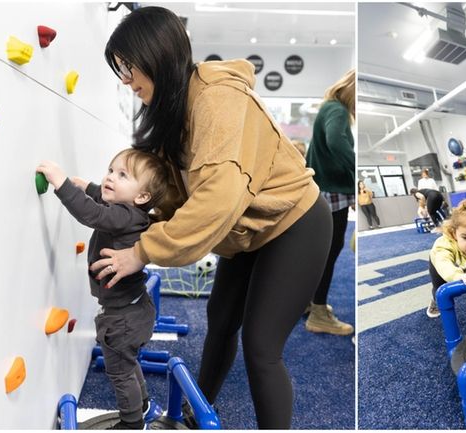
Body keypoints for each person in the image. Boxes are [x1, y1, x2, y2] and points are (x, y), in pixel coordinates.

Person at [94, 7, 333, 429]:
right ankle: (194, 414)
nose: (127, 80)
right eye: (121, 70)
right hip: (244, 231)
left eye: (129, 68)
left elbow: (216, 200)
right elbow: (167, 192)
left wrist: (143, 252)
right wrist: (102, 195)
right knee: (220, 321)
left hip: (295, 221)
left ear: (157, 56)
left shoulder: (218, 99)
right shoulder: (172, 109)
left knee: (261, 347)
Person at [36, 149, 169, 429]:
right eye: (111, 170)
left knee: (119, 371)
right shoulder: (132, 214)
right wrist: (89, 187)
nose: (110, 177)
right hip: (132, 311)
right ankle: (142, 405)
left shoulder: (123, 217)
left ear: (142, 197)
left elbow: (93, 214)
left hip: (121, 319)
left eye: (122, 175)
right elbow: (105, 202)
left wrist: (63, 184)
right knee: (127, 362)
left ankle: (132, 422)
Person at [305, 69, 356, 336]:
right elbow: (336, 142)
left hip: (325, 191)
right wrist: (356, 169)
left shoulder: (329, 108)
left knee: (319, 252)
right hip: (332, 193)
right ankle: (319, 313)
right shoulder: (337, 110)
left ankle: (308, 302)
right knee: (328, 254)